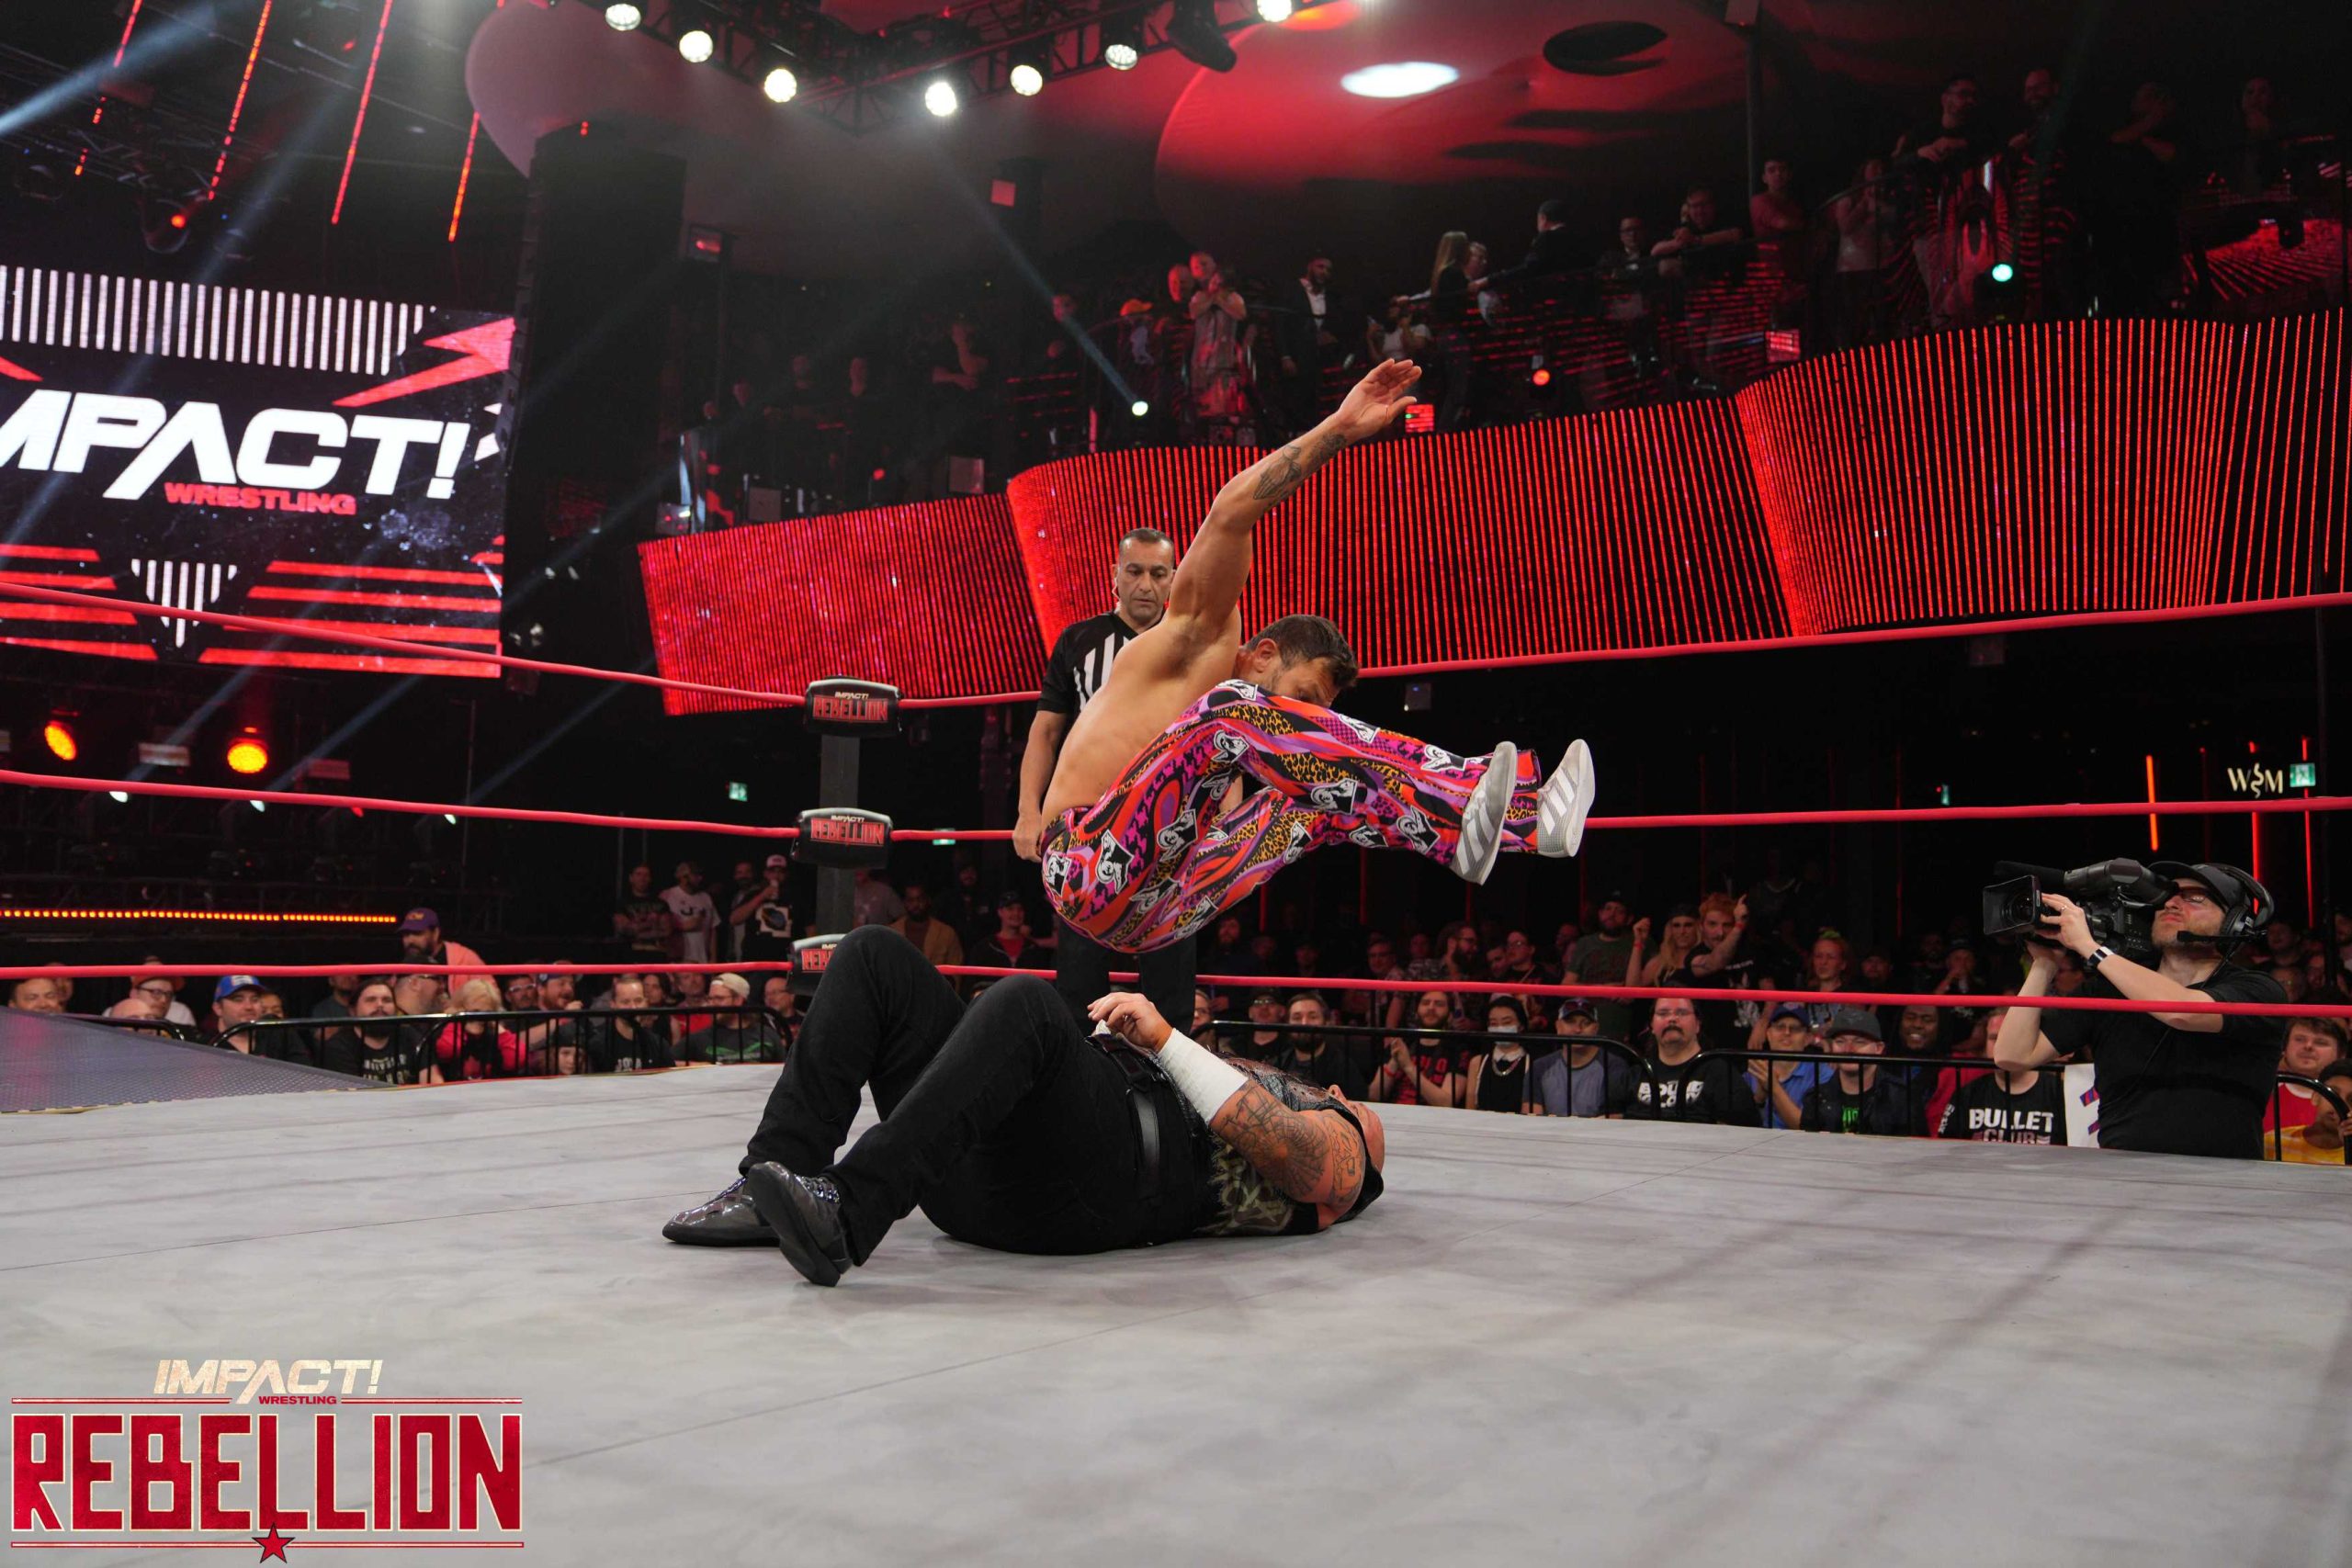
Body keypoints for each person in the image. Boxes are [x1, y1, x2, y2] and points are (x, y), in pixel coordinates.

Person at [1035, 360, 1595, 957]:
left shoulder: (1219, 756)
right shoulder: (1195, 640)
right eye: (1302, 700)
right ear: (1263, 653)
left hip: (1158, 912)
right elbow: (1230, 513)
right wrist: (1338, 429)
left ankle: (1527, 823)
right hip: (1084, 865)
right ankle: (1462, 795)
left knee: (1313, 802)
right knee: (1232, 711)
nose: (1305, 723)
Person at [662, 928, 1385, 1287]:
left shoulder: (1348, 1138)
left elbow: (1306, 1164)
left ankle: (846, 1210)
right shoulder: (1262, 1080)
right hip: (987, 1170)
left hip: (1099, 1187)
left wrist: (1168, 1040)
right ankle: (771, 1183)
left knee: (1029, 1004)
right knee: (872, 955)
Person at [1016, 526, 1197, 1033]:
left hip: (1170, 826)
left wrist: (1224, 815)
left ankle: (1170, 1075)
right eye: (1135, 571)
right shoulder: (1079, 641)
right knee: (1079, 971)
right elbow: (1045, 731)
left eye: (1158, 573)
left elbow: (1218, 729)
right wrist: (1028, 812)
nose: (1145, 584)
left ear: (1174, 580)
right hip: (1089, 825)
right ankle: (1078, 1071)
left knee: (1170, 970)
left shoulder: (1191, 645)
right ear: (1115, 576)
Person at [1994, 862, 2289, 1158]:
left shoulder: (2259, 990)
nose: (2171, 903)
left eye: (2195, 898)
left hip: (2223, 1174)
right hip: (2124, 1173)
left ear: (2235, 922)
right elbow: (2013, 1055)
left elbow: (2183, 1011)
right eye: (2168, 895)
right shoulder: (2107, 988)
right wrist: (2044, 965)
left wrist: (2090, 948)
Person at [1626, 996, 1760, 1125]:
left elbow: (1737, 1131)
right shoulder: (1637, 1073)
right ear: (1652, 1025)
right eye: (1663, 1013)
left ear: (1697, 1024)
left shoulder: (1720, 1072)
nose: (1672, 1019)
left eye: (1682, 1013)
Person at [1800, 1008, 1925, 1136]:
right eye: (1840, 1042)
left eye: (1859, 1042)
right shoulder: (1815, 1098)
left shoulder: (1904, 1096)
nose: (1848, 1049)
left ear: (1879, 1048)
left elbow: (1918, 1146)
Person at [1529, 998, 1635, 1117]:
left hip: (1596, 1129)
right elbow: (1532, 1118)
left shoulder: (1614, 1066)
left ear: (1596, 1028)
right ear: (1558, 1026)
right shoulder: (1540, 1067)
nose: (1578, 1030)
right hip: (1550, 1129)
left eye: (1586, 1023)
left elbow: (1612, 1119)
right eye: (1570, 1022)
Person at [1369, 988, 1462, 1107]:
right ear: (1416, 1011)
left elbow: (1446, 1103)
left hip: (1433, 1116)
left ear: (1450, 1015)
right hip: (1394, 1112)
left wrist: (1408, 1066)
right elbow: (1373, 1096)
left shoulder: (1457, 1049)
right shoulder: (1402, 1043)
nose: (1431, 1008)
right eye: (1425, 1003)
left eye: (1439, 1004)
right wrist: (1394, 1063)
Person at [320, 982, 424, 1084]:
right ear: (353, 1011)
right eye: (371, 1000)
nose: (380, 1005)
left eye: (387, 1000)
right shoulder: (338, 1046)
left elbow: (429, 1079)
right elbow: (351, 1092)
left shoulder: (409, 1035)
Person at [681, 974, 786, 1065]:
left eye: (719, 998)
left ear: (738, 1000)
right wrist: (701, 1067)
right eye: (710, 999)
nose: (712, 1004)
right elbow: (672, 1061)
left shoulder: (767, 1035)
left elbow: (785, 1068)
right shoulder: (700, 1038)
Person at [1463, 997, 1533, 1112]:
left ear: (1521, 1025)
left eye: (1507, 1022)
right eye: (1494, 1023)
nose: (1500, 1028)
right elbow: (1470, 1109)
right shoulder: (1477, 1062)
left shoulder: (1533, 1064)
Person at [398, 907, 488, 989]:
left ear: (435, 933)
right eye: (406, 934)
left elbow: (489, 994)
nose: (410, 940)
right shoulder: (404, 964)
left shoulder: (465, 959)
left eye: (417, 933)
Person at [736, 853, 796, 965]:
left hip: (785, 961)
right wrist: (762, 896)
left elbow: (810, 928)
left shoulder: (795, 898)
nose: (776, 875)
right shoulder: (753, 895)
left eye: (780, 872)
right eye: (772, 871)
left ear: (786, 874)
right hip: (755, 961)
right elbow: (734, 919)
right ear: (765, 873)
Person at [889, 883, 966, 970]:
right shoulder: (892, 932)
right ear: (904, 903)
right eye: (911, 900)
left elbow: (956, 968)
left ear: (928, 900)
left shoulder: (946, 933)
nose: (916, 904)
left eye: (920, 899)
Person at [662, 863, 721, 967]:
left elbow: (713, 928)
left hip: (702, 959)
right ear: (684, 877)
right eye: (695, 875)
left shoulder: (705, 898)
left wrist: (713, 958)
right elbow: (661, 927)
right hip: (679, 959)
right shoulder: (668, 896)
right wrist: (681, 926)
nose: (700, 878)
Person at [613, 866, 676, 962]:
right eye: (638, 874)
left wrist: (638, 928)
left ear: (650, 879)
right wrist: (651, 923)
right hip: (630, 954)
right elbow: (624, 929)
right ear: (631, 878)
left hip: (656, 953)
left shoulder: (660, 903)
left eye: (646, 875)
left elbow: (667, 931)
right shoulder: (622, 903)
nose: (642, 878)